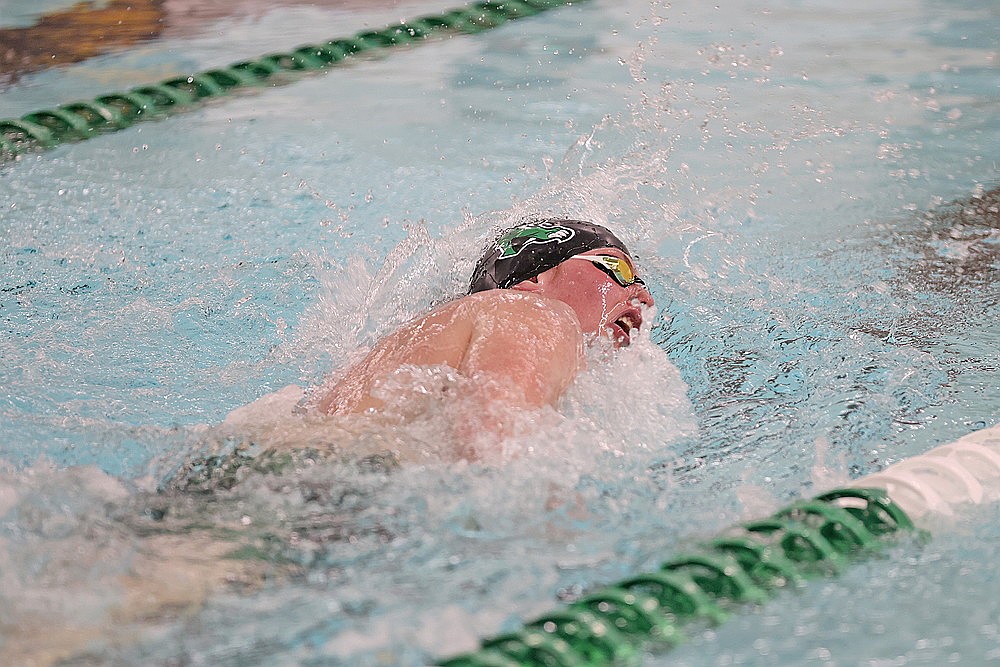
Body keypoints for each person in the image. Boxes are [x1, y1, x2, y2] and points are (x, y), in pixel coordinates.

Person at [311, 218, 654, 417]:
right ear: (534, 279)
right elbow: (498, 452)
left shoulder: (449, 339)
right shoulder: (530, 313)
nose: (643, 295)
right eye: (617, 268)